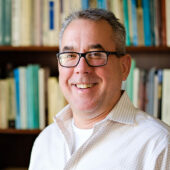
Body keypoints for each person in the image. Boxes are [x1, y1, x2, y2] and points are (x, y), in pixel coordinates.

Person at [29, 8, 170, 170]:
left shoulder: (159, 145)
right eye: (70, 55)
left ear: (124, 67)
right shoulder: (45, 141)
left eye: (96, 54)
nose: (81, 68)